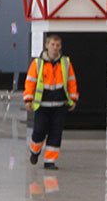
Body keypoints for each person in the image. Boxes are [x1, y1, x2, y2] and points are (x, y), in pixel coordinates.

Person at [23, 33, 77, 170]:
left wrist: (73, 98)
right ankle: (34, 151)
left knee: (56, 133)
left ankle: (49, 161)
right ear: (46, 45)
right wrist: (28, 99)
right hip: (42, 105)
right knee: (39, 131)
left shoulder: (65, 63)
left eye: (57, 45)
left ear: (60, 47)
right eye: (52, 44)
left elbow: (71, 82)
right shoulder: (37, 63)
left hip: (59, 105)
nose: (55, 47)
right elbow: (30, 82)